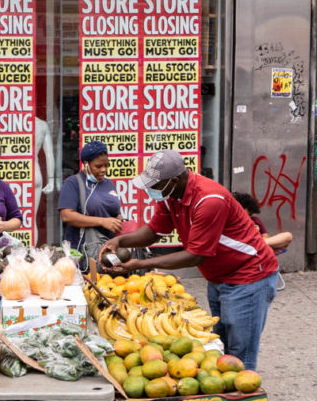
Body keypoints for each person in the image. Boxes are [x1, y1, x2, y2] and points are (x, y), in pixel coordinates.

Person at [100, 150, 279, 371]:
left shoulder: (209, 200)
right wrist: (120, 241)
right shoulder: (171, 196)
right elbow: (154, 232)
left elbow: (196, 255)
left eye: (154, 184)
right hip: (219, 277)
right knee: (220, 347)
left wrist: (141, 265)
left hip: (249, 276)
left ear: (174, 180)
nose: (150, 190)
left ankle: (245, 399)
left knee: (239, 354)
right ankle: (225, 399)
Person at [58, 140, 122, 265]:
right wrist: (102, 221)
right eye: (98, 166)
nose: (103, 170)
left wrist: (118, 219)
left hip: (110, 250)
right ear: (86, 164)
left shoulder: (108, 184)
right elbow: (66, 216)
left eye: (106, 165)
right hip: (85, 252)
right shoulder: (73, 183)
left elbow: (114, 211)